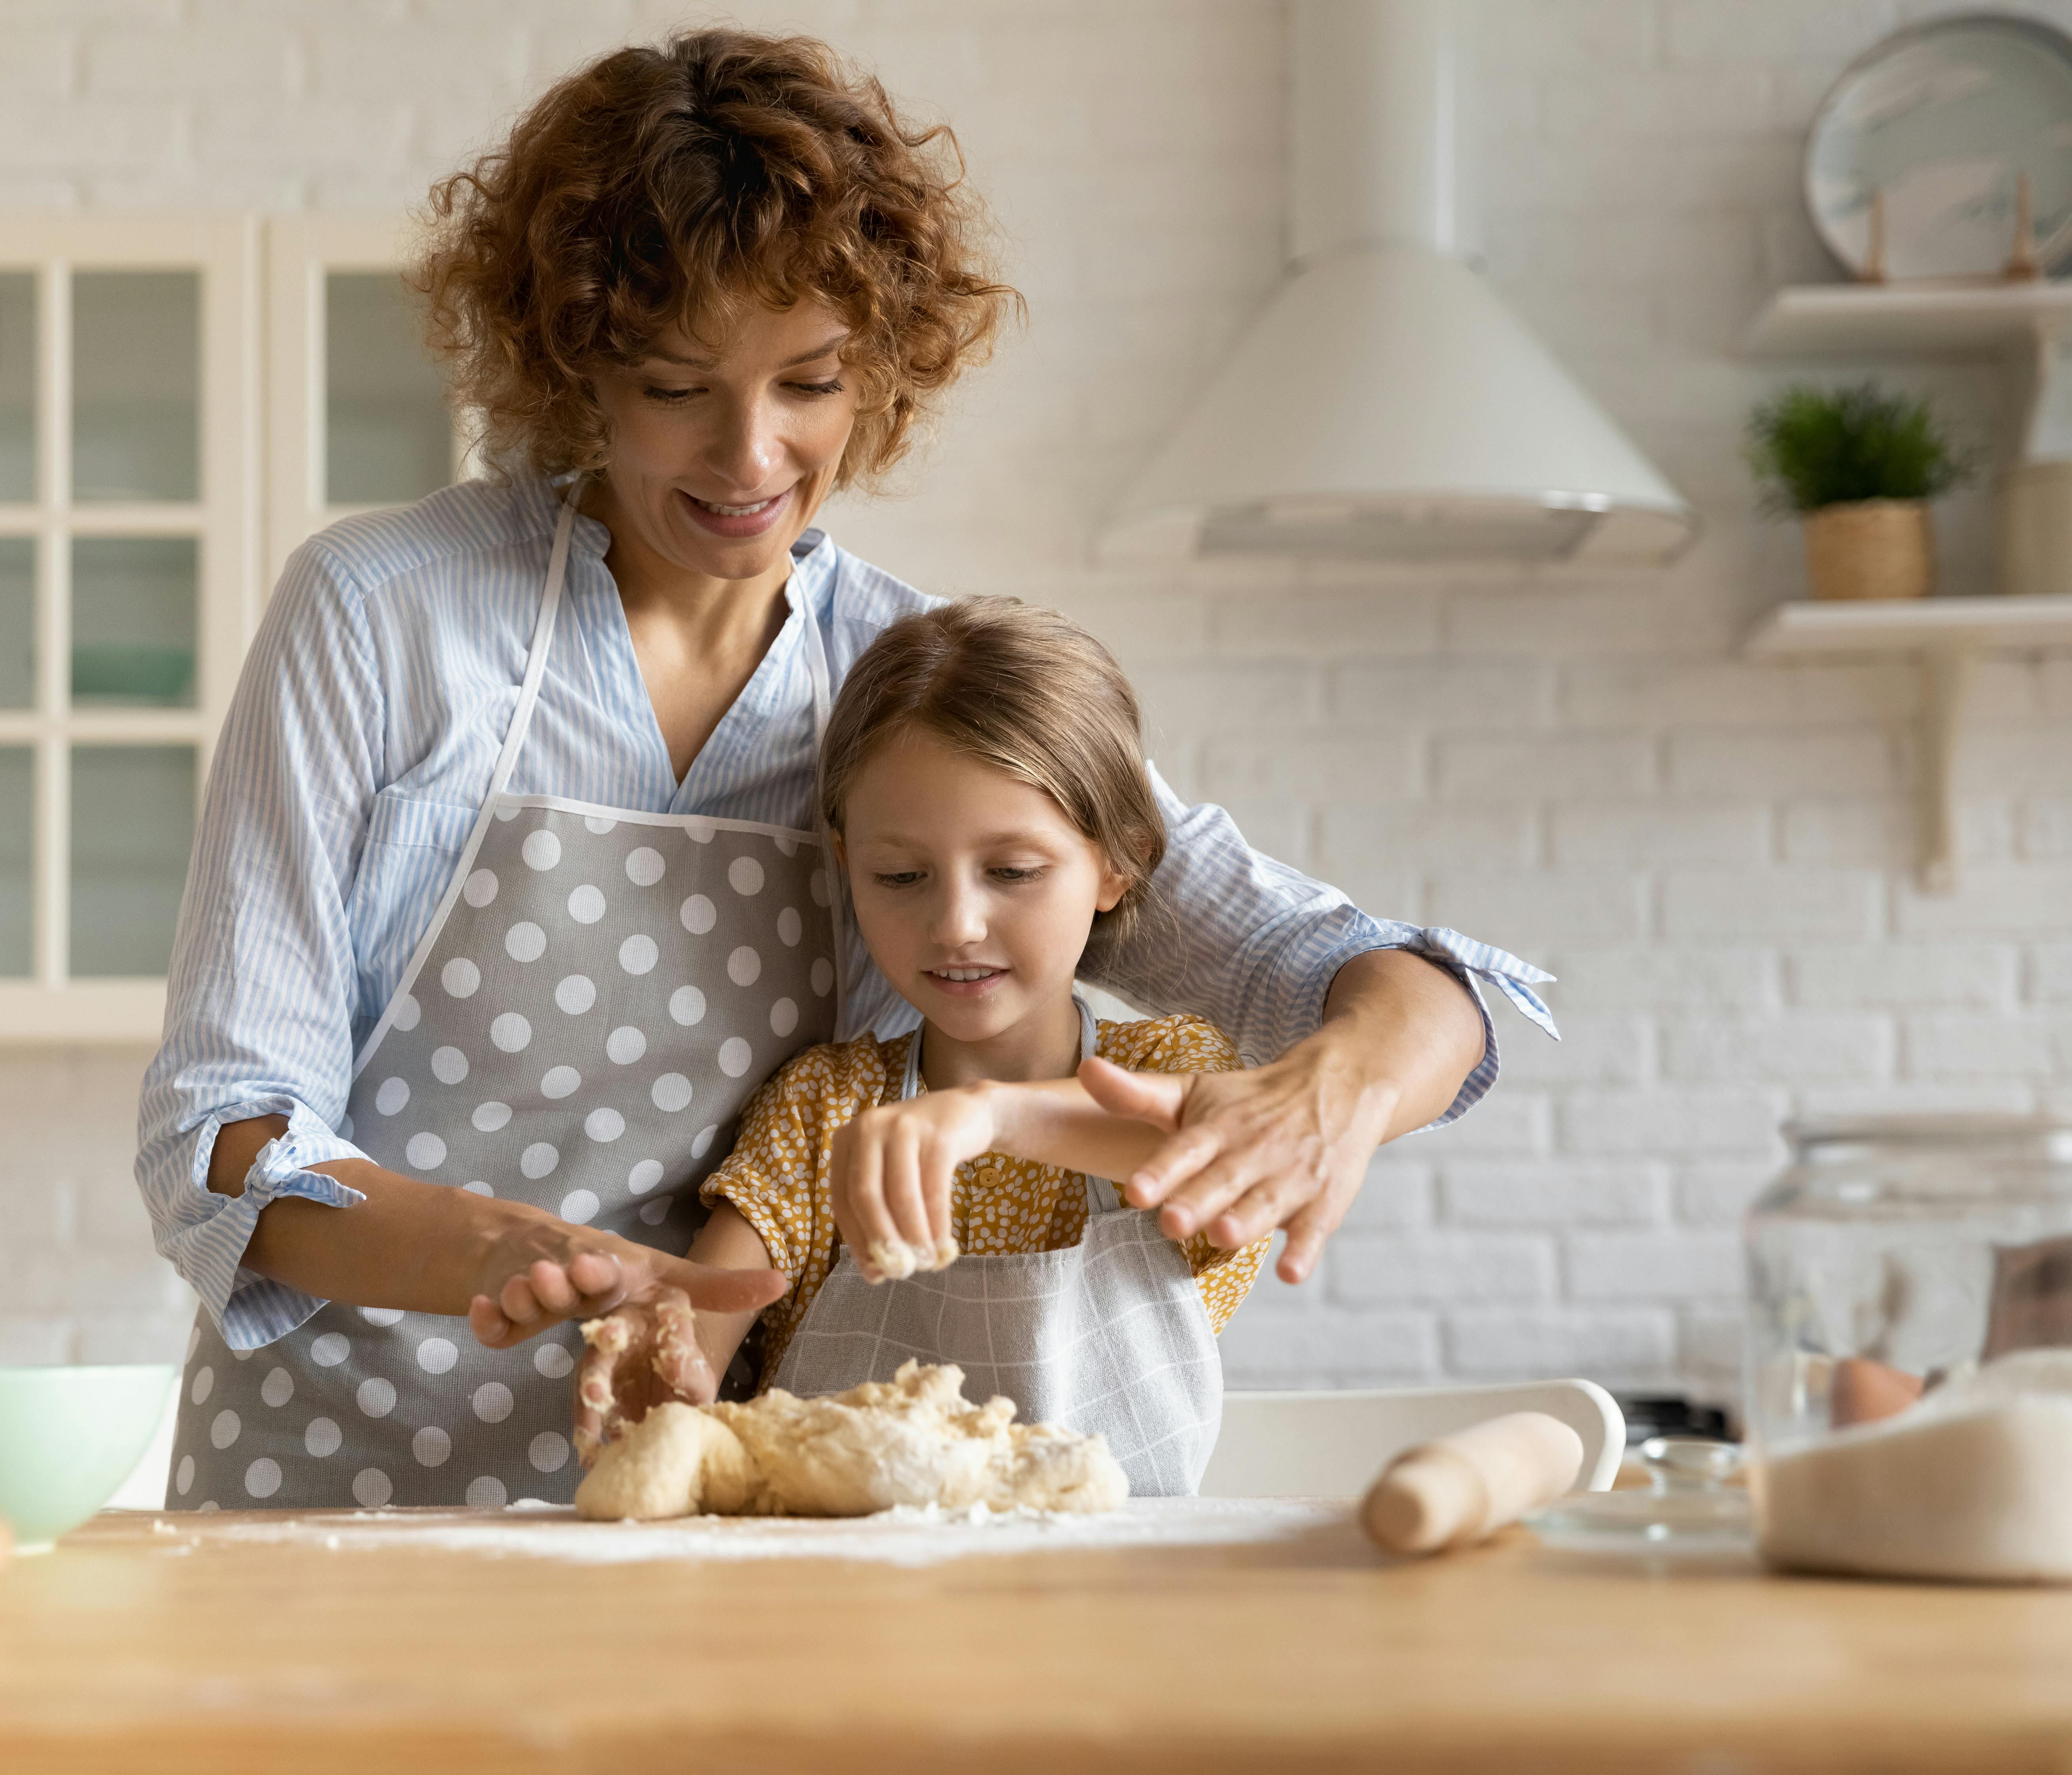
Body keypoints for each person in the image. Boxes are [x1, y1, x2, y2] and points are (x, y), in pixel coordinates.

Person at [137, 29, 1555, 1512]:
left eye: (809, 382)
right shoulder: (384, 617)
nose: (753, 456)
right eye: (680, 387)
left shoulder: (907, 691)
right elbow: (220, 1131)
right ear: (576, 368)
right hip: (339, 1475)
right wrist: (511, 1253)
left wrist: (1333, 1086)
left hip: (716, 1501)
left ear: (879, 366)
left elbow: (1393, 979)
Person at [574, 599, 1266, 1494]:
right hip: (852, 1617)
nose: (956, 924)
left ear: (1118, 860)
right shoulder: (827, 1107)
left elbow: (1225, 1153)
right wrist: (660, 1365)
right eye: (899, 876)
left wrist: (991, 1117)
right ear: (845, 859)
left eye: (1013, 871)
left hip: (1112, 1610)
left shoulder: (1171, 1073)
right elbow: (702, 1325)